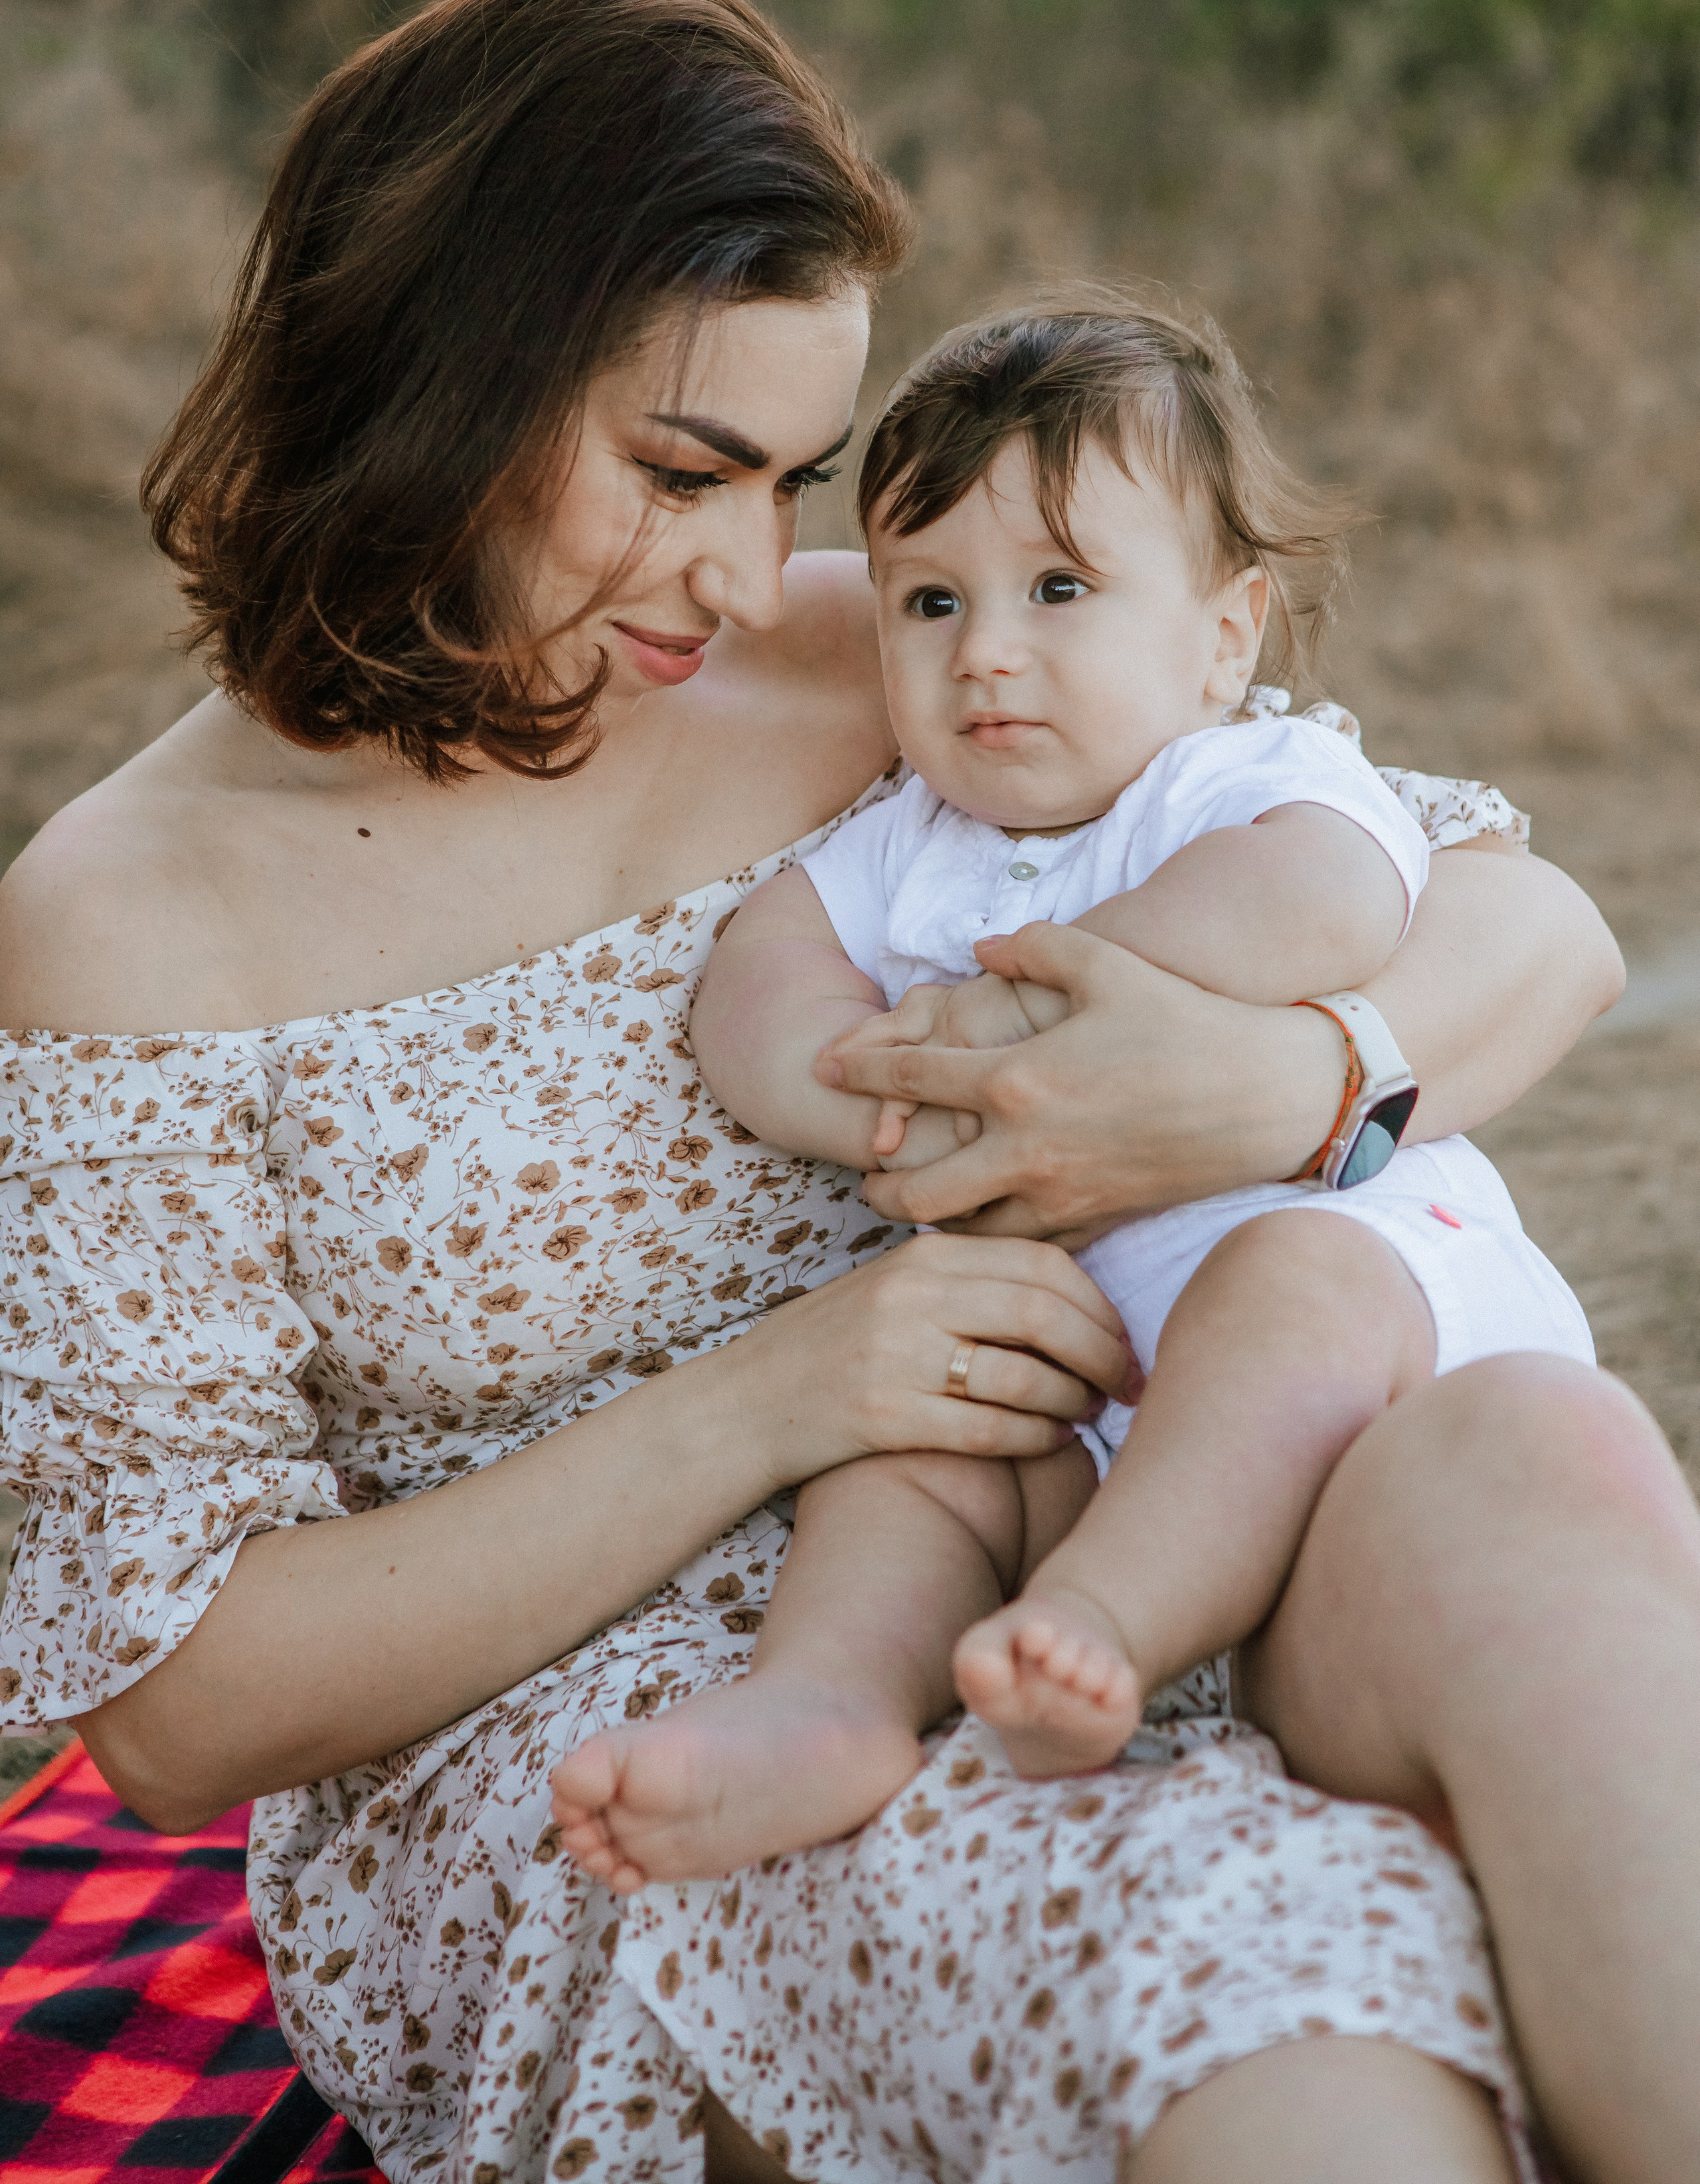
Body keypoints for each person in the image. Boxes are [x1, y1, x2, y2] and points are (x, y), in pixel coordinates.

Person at [0, 0, 1693, 2184]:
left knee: (1541, 1471)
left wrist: (1295, 1083)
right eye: (680, 468)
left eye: (792, 476)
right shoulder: (130, 914)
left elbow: (1517, 918)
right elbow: (182, 1710)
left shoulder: (870, 651)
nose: (741, 561)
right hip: (644, 1733)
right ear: (439, 376)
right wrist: (790, 1390)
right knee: (1282, 1942)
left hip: (1147, 1502)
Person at [549, 300, 1598, 1890]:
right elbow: (755, 988)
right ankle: (825, 1705)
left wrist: (1036, 1008)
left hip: (1371, 1327)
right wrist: (853, 1096)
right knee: (910, 1457)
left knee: (1286, 1288)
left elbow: (1328, 900)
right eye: (926, 602)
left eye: (1057, 591)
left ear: (1221, 635)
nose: (985, 653)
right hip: (1084, 1378)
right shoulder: (908, 836)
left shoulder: (1236, 778)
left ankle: (1095, 1629)